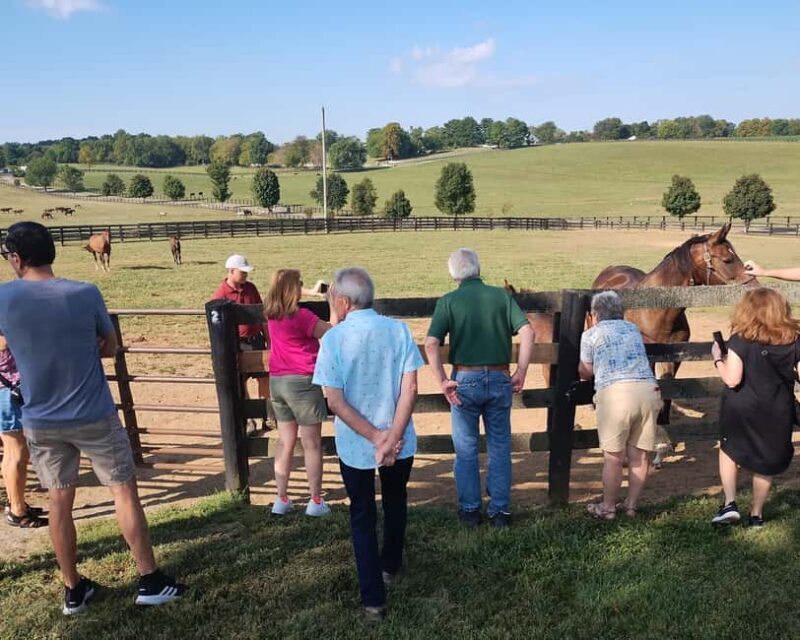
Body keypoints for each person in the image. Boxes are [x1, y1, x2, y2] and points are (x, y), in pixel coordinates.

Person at [0, 222, 185, 615]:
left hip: (40, 418)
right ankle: (149, 579)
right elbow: (110, 345)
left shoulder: (4, 298)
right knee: (123, 492)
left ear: (16, 258)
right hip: (93, 412)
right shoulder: (85, 293)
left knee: (58, 502)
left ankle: (73, 589)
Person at [312, 267, 423, 621]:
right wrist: (392, 435)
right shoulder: (399, 330)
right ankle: (390, 565)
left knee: (362, 514)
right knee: (395, 500)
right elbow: (411, 389)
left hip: (358, 444)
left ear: (343, 301)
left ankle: (373, 599)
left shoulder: (333, 339)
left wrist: (376, 438)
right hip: (399, 439)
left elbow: (334, 400)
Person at [424, 248, 534, 529]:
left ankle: (470, 510)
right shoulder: (501, 296)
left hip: (465, 379)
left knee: (466, 448)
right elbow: (527, 331)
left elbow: (431, 343)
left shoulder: (448, 301)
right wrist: (521, 369)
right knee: (499, 446)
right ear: (478, 268)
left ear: (453, 274)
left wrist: (441, 380)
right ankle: (500, 511)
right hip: (499, 378)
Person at [711, 287, 799, 528]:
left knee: (729, 448)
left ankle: (730, 503)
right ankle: (757, 515)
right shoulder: (793, 338)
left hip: (742, 406)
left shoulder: (741, 339)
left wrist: (718, 357)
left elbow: (732, 379)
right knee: (767, 458)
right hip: (778, 407)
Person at [579, 291, 662, 520]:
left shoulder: (590, 335)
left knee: (613, 457)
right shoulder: (633, 329)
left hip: (616, 395)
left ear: (595, 315)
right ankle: (631, 506)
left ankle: (608, 508)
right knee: (640, 456)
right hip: (647, 390)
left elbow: (585, 372)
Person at [264, 269, 331, 517]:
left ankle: (281, 498)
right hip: (302, 381)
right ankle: (315, 500)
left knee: (285, 441)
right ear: (294, 289)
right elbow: (329, 330)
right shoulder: (301, 316)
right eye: (300, 284)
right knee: (312, 443)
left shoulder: (272, 315)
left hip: (277, 381)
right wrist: (332, 306)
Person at [211, 254, 272, 430]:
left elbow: (262, 315)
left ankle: (266, 414)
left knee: (264, 379)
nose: (245, 276)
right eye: (242, 272)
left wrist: (268, 339)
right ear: (231, 271)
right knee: (241, 381)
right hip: (237, 343)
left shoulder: (251, 288)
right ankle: (249, 417)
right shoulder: (221, 294)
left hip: (255, 339)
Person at [1, 335, 47, 528]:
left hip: (10, 389)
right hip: (8, 391)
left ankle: (15, 502)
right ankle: (17, 511)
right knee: (16, 453)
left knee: (14, 452)